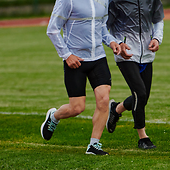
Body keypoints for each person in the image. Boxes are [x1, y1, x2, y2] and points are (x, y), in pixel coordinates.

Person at [41, 0, 121, 155]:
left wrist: (112, 42)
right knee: (77, 108)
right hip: (75, 60)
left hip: (98, 58)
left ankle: (94, 144)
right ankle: (54, 116)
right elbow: (52, 30)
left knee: (104, 99)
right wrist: (67, 55)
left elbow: (102, 27)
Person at [106, 0, 164, 149]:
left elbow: (158, 20)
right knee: (140, 93)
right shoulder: (115, 1)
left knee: (143, 97)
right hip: (126, 53)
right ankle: (143, 137)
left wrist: (157, 38)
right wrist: (118, 42)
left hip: (147, 53)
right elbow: (105, 27)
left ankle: (116, 109)